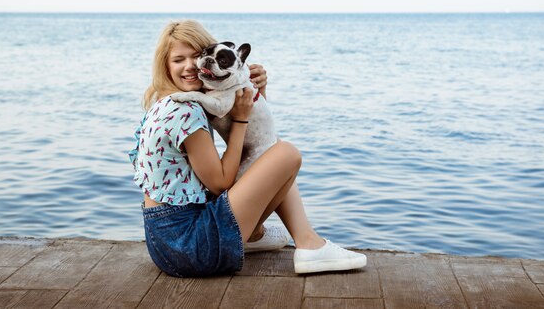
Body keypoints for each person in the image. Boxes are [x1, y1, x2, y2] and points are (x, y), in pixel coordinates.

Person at [129, 19, 367, 277]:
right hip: (192, 249)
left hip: (168, 243)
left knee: (269, 154)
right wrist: (242, 118)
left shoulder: (165, 103)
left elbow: (251, 139)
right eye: (178, 60)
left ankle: (255, 235)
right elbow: (220, 183)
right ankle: (308, 243)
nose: (189, 66)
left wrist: (256, 91)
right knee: (285, 153)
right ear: (164, 64)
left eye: (196, 56)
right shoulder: (184, 112)